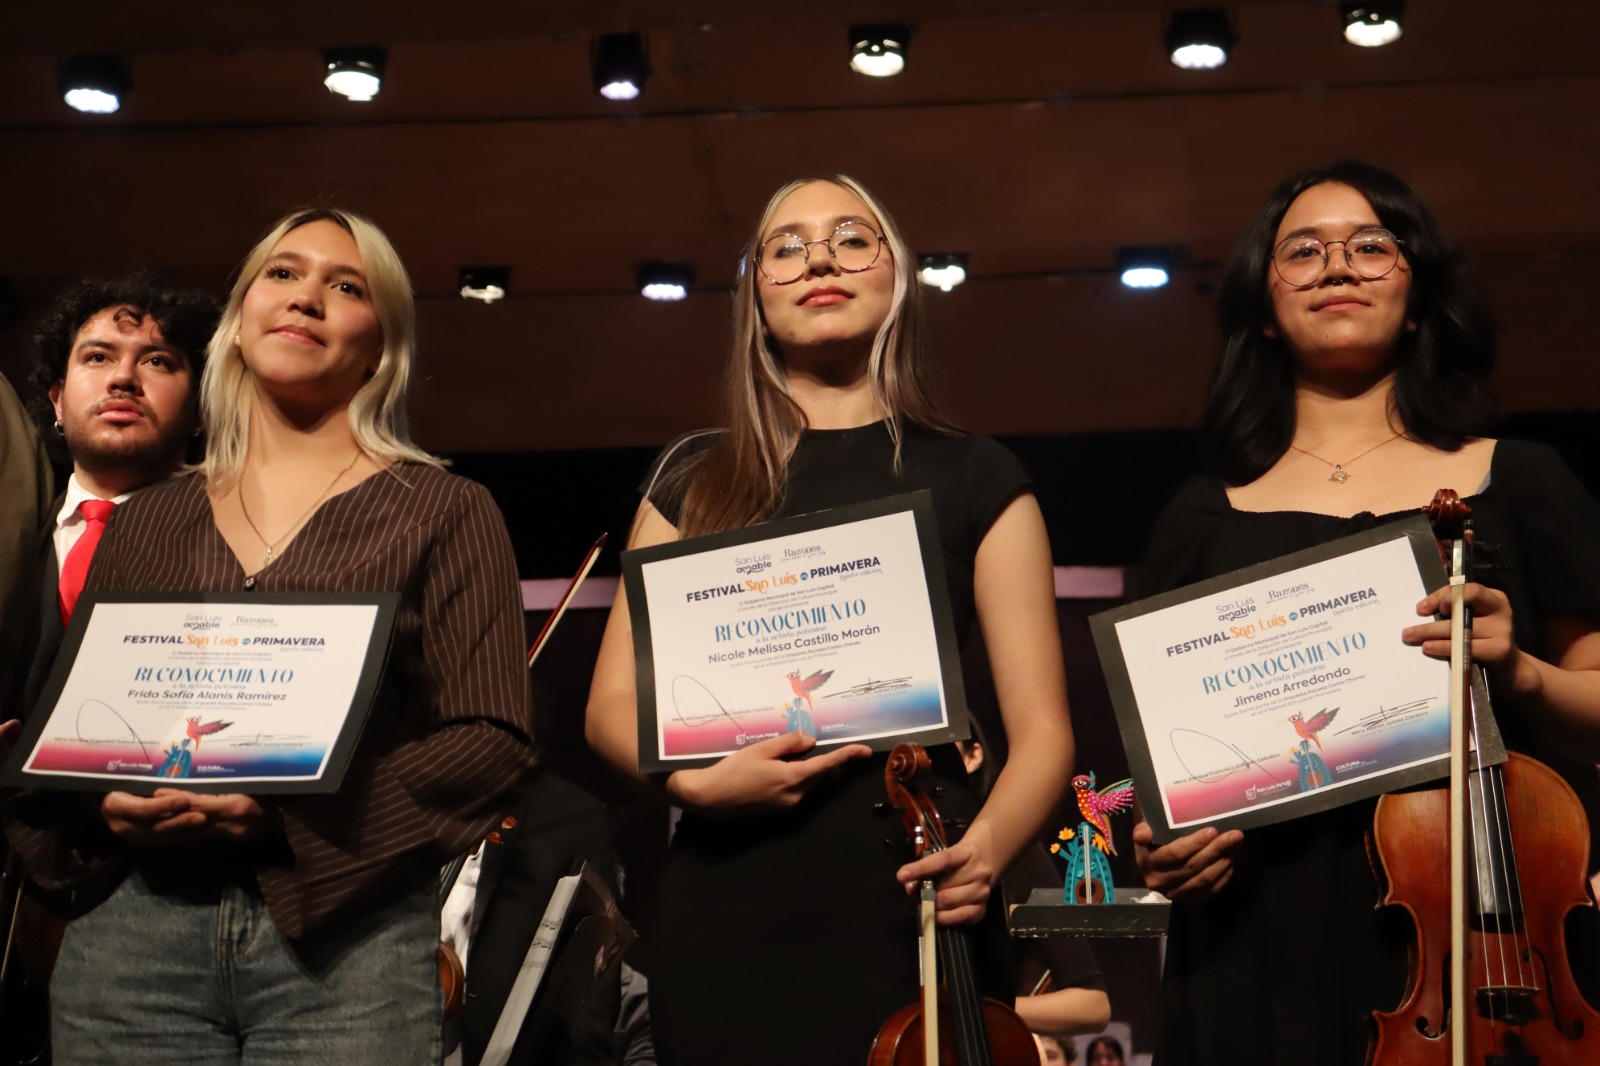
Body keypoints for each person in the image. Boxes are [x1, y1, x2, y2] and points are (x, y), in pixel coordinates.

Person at [3, 208, 536, 1065]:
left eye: (347, 285)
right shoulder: (147, 522)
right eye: (282, 274)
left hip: (346, 950)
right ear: (241, 320)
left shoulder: (443, 509)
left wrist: (288, 814)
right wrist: (99, 799)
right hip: (132, 939)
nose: (308, 298)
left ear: (380, 344)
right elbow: (79, 722)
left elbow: (492, 740)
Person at [584, 174, 1075, 1063]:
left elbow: (1042, 732)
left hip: (911, 889)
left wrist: (989, 852)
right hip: (726, 897)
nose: (820, 258)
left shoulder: (979, 475)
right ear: (755, 303)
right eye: (786, 246)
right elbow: (610, 705)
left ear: (898, 277)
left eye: (852, 238)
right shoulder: (694, 478)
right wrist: (690, 786)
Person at [1132, 161, 1600, 1065]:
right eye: (1302, 250)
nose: (1337, 265)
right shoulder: (1201, 513)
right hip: (1260, 936)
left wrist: (1522, 672)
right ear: (1264, 307)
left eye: (1371, 246)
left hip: (1484, 924)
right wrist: (1164, 850)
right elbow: (1168, 770)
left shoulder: (1522, 480)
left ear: (1418, 296)